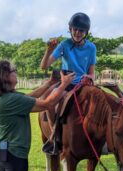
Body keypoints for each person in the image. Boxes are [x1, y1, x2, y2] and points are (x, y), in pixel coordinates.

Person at [40, 12, 97, 155]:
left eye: (81, 30)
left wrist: (89, 77)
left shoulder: (91, 48)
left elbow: (92, 73)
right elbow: (44, 66)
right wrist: (49, 50)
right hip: (66, 82)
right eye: (75, 29)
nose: (77, 33)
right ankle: (54, 136)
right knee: (50, 100)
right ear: (70, 29)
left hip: (84, 84)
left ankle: (101, 138)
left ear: (86, 32)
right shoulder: (64, 44)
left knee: (102, 104)